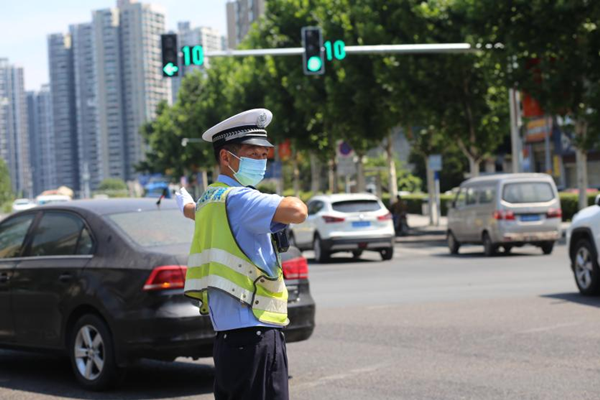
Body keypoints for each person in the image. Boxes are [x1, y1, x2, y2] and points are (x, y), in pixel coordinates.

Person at [175, 108, 307, 400]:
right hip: (256, 336)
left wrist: (183, 203)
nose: (262, 161)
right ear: (226, 157)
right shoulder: (242, 198)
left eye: (264, 154)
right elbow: (297, 211)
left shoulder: (212, 198)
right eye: (253, 154)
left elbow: (192, 211)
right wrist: (289, 197)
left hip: (228, 341)